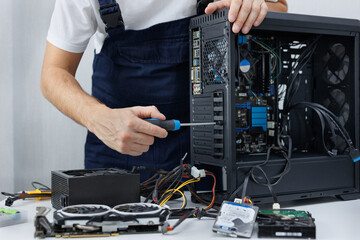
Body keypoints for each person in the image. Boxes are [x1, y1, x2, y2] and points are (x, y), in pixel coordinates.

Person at [41, 0, 288, 180]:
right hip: (118, 148)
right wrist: (98, 118)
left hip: (214, 152)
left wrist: (253, 7)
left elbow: (278, 6)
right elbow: (54, 73)